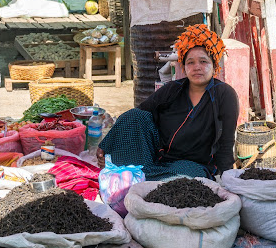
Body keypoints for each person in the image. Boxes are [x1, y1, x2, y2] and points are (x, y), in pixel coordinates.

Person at [97, 24, 239, 180]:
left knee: (182, 177)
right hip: (158, 157)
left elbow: (226, 141)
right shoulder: (173, 89)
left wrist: (228, 177)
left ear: (214, 66)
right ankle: (140, 173)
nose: (197, 67)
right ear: (184, 68)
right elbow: (137, 116)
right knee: (134, 116)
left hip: (194, 165)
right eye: (190, 62)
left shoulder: (224, 94)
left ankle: (139, 176)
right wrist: (106, 144)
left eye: (203, 61)